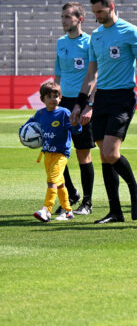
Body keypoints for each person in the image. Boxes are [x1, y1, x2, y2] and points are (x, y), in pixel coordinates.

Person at [72, 0, 137, 225]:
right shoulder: (96, 36)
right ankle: (115, 211)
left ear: (111, 5)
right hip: (102, 99)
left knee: (110, 152)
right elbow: (91, 73)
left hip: (123, 98)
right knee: (105, 158)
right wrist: (82, 103)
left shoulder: (130, 31)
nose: (97, 16)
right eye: (94, 12)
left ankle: (135, 190)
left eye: (100, 11)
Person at [54, 2, 91, 214]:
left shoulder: (90, 43)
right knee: (58, 152)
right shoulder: (60, 43)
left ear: (80, 19)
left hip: (82, 101)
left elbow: (94, 74)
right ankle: (71, 194)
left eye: (68, 16)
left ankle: (87, 202)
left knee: (82, 152)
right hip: (63, 102)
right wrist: (54, 98)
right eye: (62, 16)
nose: (64, 20)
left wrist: (89, 104)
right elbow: (58, 73)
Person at [29, 81, 75, 222]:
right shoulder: (41, 113)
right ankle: (67, 211)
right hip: (47, 153)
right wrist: (22, 132)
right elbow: (30, 124)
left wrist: (77, 125)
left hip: (61, 153)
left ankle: (46, 210)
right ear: (43, 99)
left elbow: (74, 129)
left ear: (60, 98)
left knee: (52, 181)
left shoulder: (64, 113)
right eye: (49, 96)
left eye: (56, 96)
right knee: (60, 183)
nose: (53, 99)